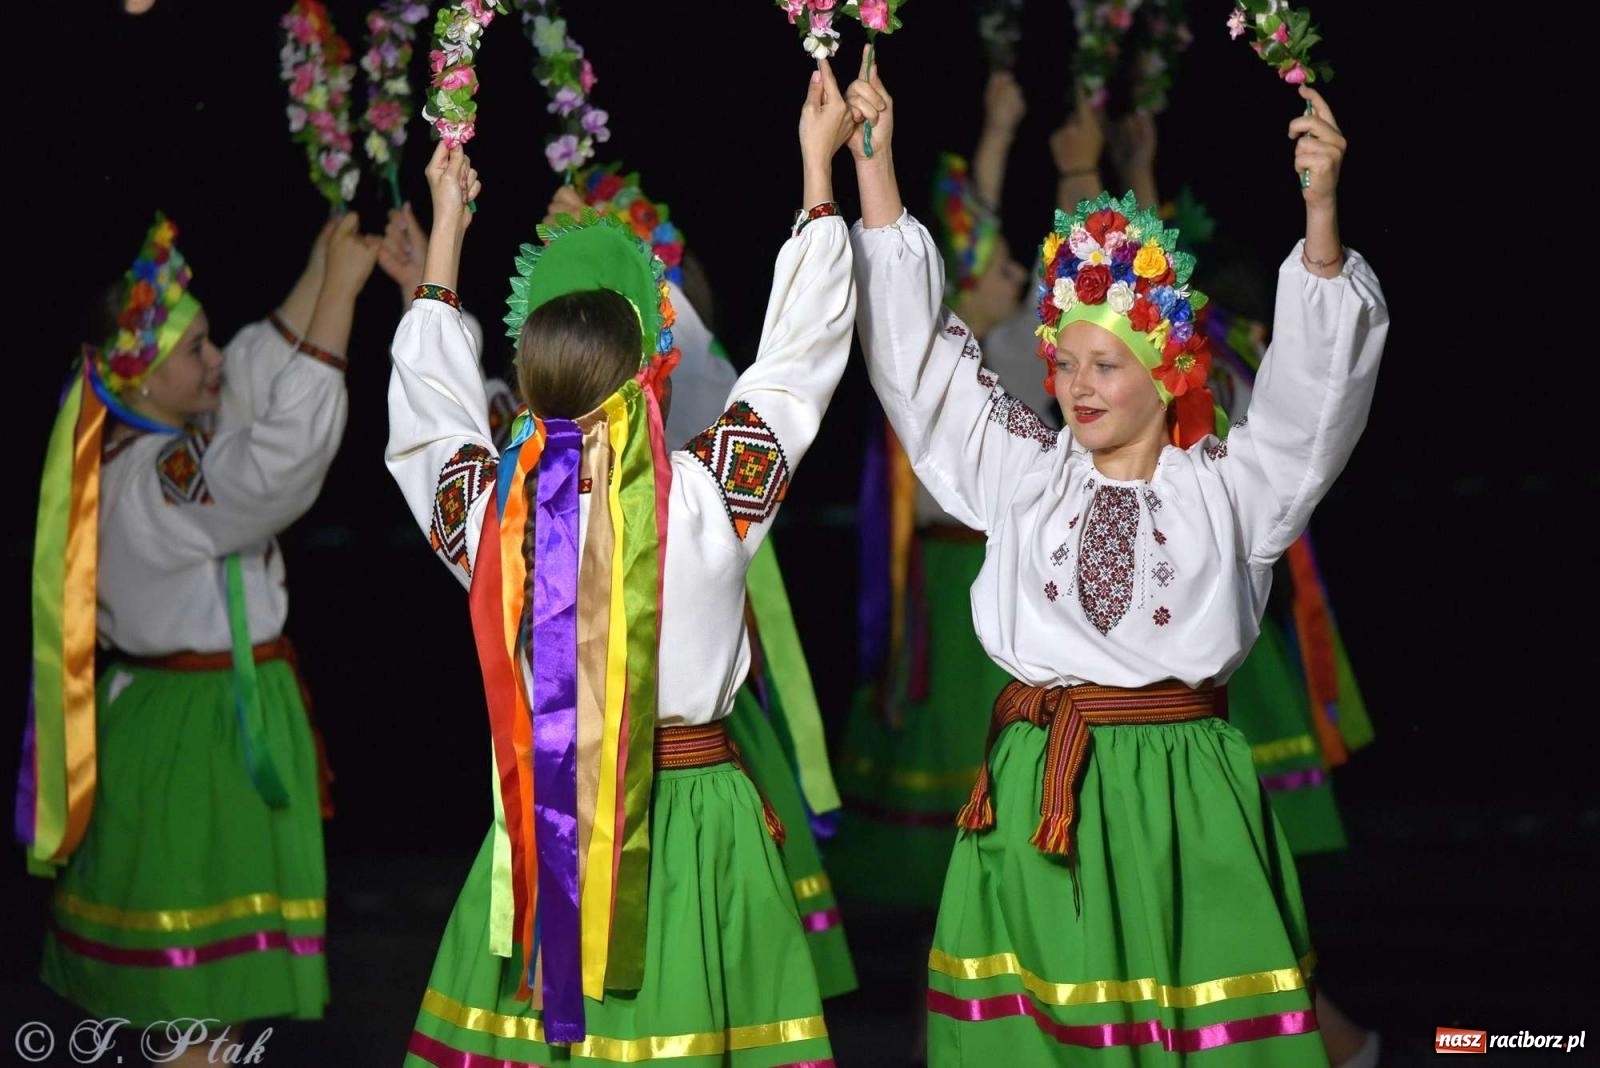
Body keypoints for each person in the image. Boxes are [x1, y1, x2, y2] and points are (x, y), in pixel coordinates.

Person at [844, 42, 1388, 1064]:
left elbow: (1313, 403)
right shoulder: (1024, 473)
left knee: (1193, 1030)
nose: (1077, 385)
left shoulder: (1227, 488)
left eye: (1106, 364)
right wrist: (873, 169)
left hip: (1181, 799)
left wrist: (1319, 217)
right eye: (1065, 361)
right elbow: (920, 369)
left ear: (1168, 367)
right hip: (1036, 798)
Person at [387, 60, 857, 1066]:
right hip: (695, 824)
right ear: (655, 373)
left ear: (528, 383)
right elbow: (799, 364)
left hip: (551, 829)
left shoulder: (495, 519)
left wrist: (446, 235)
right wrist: (818, 175)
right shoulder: (710, 497)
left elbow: (427, 422)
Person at [22, 210, 378, 1063]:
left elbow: (250, 372)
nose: (215, 357)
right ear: (143, 378)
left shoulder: (155, 450)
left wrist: (323, 266)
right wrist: (339, 297)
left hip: (205, 723)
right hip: (193, 740)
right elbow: (274, 463)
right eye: (194, 349)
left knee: (214, 1003)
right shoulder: (158, 476)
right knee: (193, 1004)